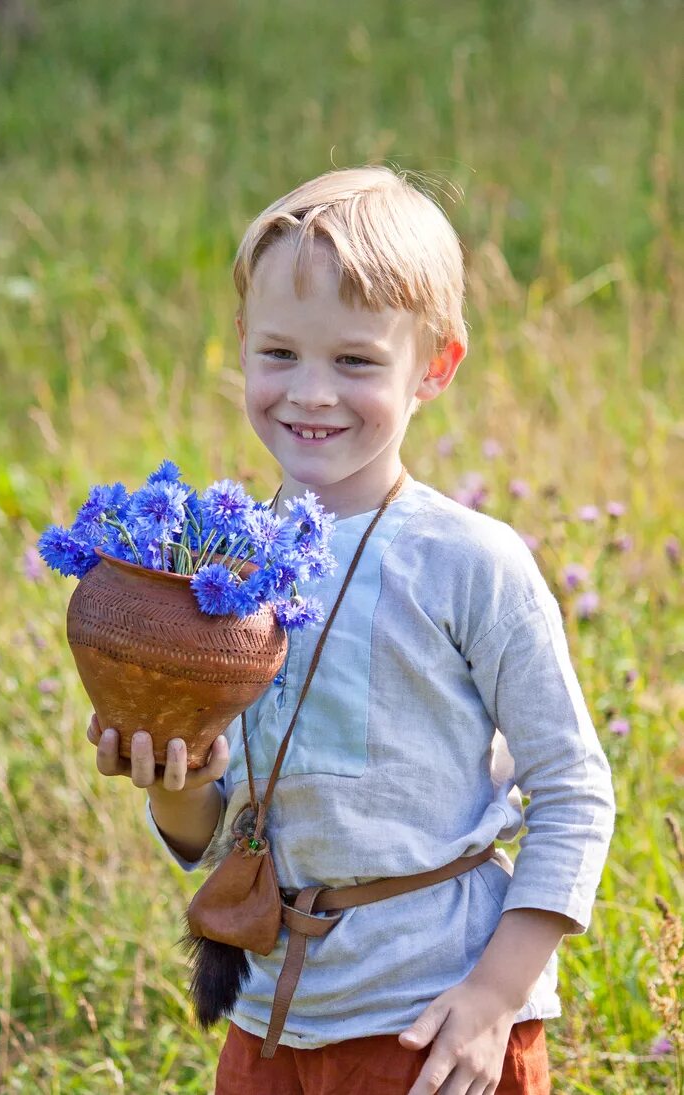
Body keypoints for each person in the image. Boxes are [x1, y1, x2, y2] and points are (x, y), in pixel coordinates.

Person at [87, 165, 616, 1095]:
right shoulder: (218, 564)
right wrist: (173, 773)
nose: (311, 393)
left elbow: (573, 788)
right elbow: (215, 825)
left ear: (437, 367)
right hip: (270, 1015)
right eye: (280, 354)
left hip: (431, 1020)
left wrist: (497, 993)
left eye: (357, 361)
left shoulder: (468, 560)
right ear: (242, 344)